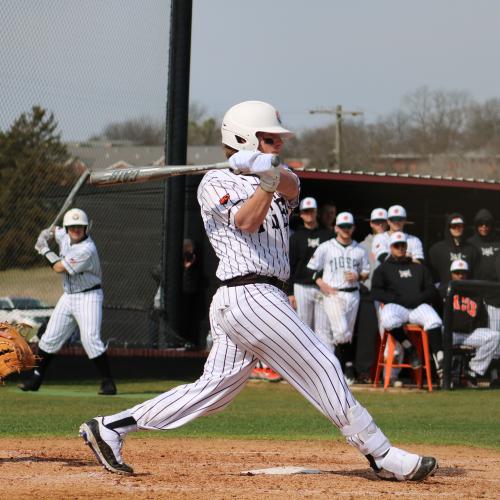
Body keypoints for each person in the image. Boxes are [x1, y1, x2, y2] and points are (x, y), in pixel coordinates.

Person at [79, 100, 437, 481]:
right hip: (248, 294)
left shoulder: (278, 175)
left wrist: (267, 171)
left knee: (213, 392)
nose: (278, 146)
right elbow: (247, 221)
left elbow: (292, 184)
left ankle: (111, 427)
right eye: (269, 139)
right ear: (245, 139)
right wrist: (262, 181)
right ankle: (381, 454)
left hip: (261, 297)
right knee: (323, 363)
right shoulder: (215, 182)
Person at [22, 208, 117, 395]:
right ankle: (36, 378)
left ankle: (108, 383)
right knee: (49, 338)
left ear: (86, 228)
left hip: (89, 297)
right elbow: (55, 230)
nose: (76, 230)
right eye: (72, 227)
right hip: (68, 296)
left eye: (80, 227)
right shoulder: (64, 235)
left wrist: (44, 249)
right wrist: (46, 233)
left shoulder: (87, 249)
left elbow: (58, 267)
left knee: (90, 339)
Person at [307, 211, 369, 385]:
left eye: (348, 226)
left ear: (353, 228)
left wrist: (358, 276)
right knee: (341, 331)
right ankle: (349, 366)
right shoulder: (326, 246)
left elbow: (366, 272)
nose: (345, 230)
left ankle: (336, 372)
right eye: (342, 226)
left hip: (353, 294)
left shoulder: (360, 249)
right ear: (336, 228)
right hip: (332, 293)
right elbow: (310, 270)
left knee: (345, 335)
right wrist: (321, 283)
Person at [371, 232, 444, 380]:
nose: (399, 248)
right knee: (387, 320)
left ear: (406, 247)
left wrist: (419, 298)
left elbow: (431, 289)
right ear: (390, 248)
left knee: (434, 320)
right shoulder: (383, 268)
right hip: (397, 306)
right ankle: (409, 347)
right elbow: (376, 291)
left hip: (416, 307)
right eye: (396, 245)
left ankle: (440, 359)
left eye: (402, 245)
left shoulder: (418, 267)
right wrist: (395, 298)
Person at [446, 259, 500, 388]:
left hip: (468, 335)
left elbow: (481, 318)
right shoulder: (443, 290)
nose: (460, 276)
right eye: (457, 272)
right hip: (449, 333)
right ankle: (446, 375)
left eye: (463, 273)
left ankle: (472, 370)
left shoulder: (475, 293)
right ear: (451, 274)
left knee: (495, 336)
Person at [288, 196, 332, 345]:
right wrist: (290, 292)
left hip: (323, 286)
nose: (309, 214)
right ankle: (301, 366)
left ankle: (323, 364)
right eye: (305, 212)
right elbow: (290, 266)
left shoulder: (327, 235)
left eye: (311, 211)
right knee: (303, 327)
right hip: (302, 286)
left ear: (316, 212)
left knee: (323, 329)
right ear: (301, 214)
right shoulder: (295, 238)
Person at [354, 208, 389, 383]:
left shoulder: (396, 242)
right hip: (368, 293)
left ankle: (389, 374)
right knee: (367, 335)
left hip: (389, 294)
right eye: (376, 222)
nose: (380, 225)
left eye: (383, 221)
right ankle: (364, 372)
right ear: (371, 223)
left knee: (390, 336)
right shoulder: (361, 245)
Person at [428, 213, 481, 298]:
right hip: (443, 295)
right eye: (454, 226)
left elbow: (476, 275)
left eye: (460, 225)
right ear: (448, 227)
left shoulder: (472, 250)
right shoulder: (436, 249)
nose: (457, 228)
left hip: (466, 296)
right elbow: (431, 275)